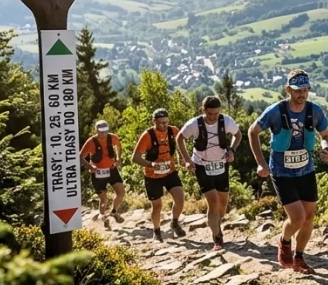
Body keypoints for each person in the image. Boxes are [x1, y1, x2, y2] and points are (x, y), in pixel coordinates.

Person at [248, 70, 328, 274]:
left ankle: (299, 257)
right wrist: (261, 163)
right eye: (297, 91)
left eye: (305, 90)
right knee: (297, 218)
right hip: (281, 172)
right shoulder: (275, 111)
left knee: (309, 217)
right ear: (288, 90)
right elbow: (253, 131)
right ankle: (284, 241)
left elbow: (326, 135)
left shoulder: (315, 111)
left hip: (306, 170)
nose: (302, 94)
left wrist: (326, 148)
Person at [177, 96, 242, 251]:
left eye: (216, 114)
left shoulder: (226, 121)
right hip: (201, 166)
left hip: (221, 165)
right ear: (203, 110)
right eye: (210, 114)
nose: (213, 117)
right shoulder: (194, 124)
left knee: (223, 205)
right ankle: (217, 238)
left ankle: (216, 224)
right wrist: (187, 160)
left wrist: (232, 150)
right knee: (213, 203)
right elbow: (180, 138)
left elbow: (238, 135)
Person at [132, 108, 187, 241]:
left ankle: (174, 222)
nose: (164, 125)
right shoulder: (147, 135)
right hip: (152, 175)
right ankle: (156, 231)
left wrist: (181, 156)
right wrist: (151, 164)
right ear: (154, 121)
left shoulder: (174, 130)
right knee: (157, 206)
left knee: (180, 199)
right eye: (161, 123)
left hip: (170, 172)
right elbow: (135, 158)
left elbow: (180, 144)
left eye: (166, 122)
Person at [80, 119, 126, 228]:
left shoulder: (113, 138)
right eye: (101, 131)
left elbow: (118, 146)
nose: (103, 134)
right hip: (97, 173)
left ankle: (114, 212)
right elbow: (80, 157)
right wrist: (90, 166)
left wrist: (118, 159)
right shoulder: (91, 142)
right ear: (96, 130)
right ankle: (104, 217)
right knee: (103, 198)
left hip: (111, 169)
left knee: (121, 192)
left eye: (105, 131)